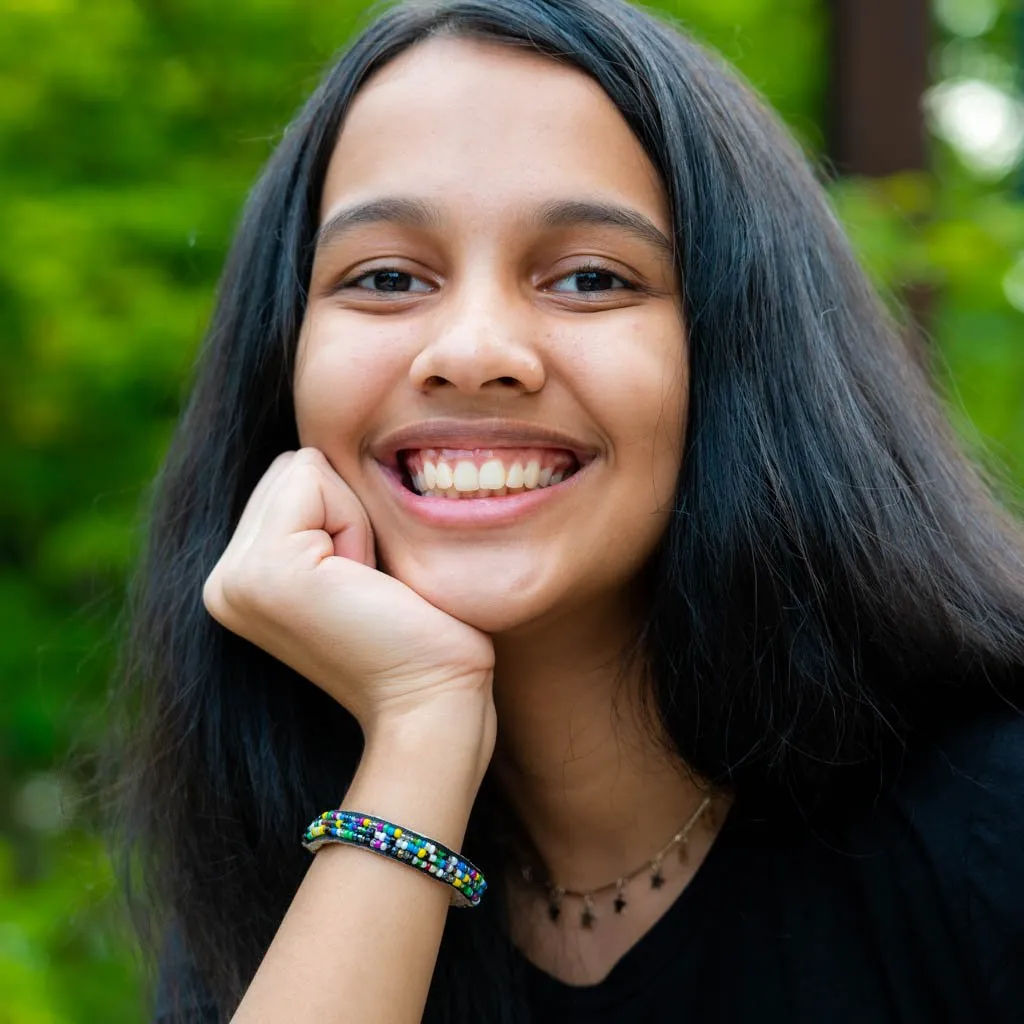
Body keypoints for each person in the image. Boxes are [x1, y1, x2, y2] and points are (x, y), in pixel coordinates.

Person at [106, 0, 1024, 1021]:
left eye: (590, 278)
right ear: (283, 363)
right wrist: (419, 728)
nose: (472, 349)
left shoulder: (995, 817)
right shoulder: (298, 871)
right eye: (387, 276)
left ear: (740, 348)